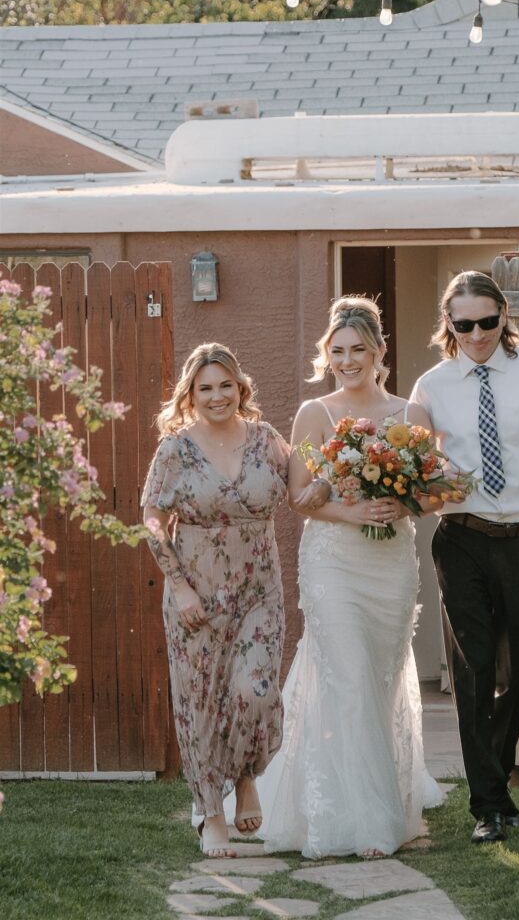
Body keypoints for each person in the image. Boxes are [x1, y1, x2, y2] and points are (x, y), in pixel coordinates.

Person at [256, 296, 443, 859]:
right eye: (337, 350)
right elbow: (301, 497)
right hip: (333, 561)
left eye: (358, 349)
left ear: (380, 352)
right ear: (326, 355)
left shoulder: (411, 415)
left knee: (379, 684)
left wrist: (404, 505)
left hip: (389, 569)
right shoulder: (315, 413)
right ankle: (362, 822)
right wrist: (349, 510)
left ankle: (379, 796)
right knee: (349, 677)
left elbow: (436, 489)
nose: (347, 359)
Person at [411, 271, 519, 845]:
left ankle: (498, 782)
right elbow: (414, 464)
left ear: (503, 316)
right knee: (473, 665)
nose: (478, 334)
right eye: (465, 325)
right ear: (450, 325)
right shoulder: (432, 385)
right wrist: (429, 481)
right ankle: (487, 804)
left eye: (488, 321)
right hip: (460, 539)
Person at [142, 342, 327, 858]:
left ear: (241, 388)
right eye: (206, 388)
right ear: (191, 395)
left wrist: (348, 472)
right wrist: (177, 586)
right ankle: (212, 814)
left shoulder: (267, 441)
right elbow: (153, 521)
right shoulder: (175, 450)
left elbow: (302, 494)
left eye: (226, 385)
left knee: (257, 692)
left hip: (258, 592)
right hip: (196, 595)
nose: (218, 395)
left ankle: (246, 774)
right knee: (200, 704)